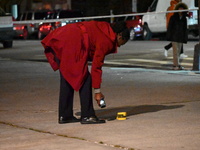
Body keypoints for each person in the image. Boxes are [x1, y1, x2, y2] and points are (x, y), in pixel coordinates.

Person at [41, 21, 130, 124]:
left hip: (63, 37)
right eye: (122, 43)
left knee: (67, 76)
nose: (119, 46)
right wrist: (97, 92)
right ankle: (88, 115)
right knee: (85, 78)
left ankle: (65, 115)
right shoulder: (107, 40)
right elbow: (96, 66)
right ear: (120, 36)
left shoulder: (105, 28)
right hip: (73, 41)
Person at [166, 2, 188, 70]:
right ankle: (175, 65)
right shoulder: (173, 17)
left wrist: (185, 38)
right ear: (177, 9)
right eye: (179, 8)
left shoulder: (184, 19)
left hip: (180, 37)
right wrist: (169, 36)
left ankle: (177, 65)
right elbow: (170, 27)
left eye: (182, 8)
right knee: (175, 52)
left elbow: (185, 29)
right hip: (174, 37)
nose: (181, 9)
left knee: (178, 52)